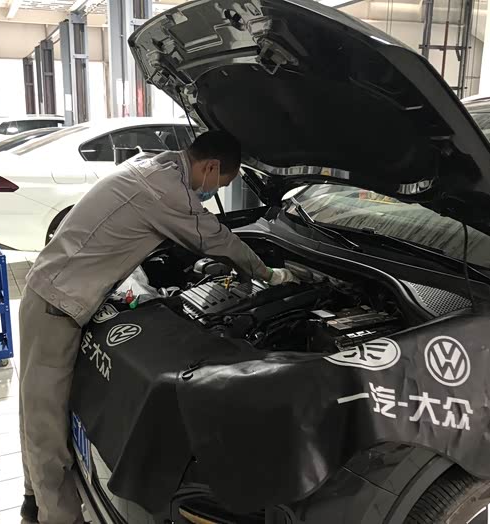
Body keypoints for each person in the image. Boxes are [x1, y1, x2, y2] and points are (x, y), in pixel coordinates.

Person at [17, 130, 298, 523]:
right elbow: (217, 239)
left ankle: (34, 497)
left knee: (38, 408)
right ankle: (55, 516)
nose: (216, 191)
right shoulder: (166, 190)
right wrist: (270, 275)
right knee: (44, 421)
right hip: (56, 303)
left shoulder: (156, 165)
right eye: (222, 183)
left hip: (61, 295)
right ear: (211, 166)